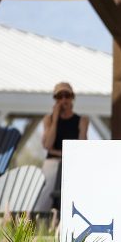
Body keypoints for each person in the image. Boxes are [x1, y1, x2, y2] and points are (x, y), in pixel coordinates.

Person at [39, 82, 88, 210]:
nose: (64, 100)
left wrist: (58, 152)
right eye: (60, 96)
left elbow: (81, 146)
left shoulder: (82, 120)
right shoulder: (49, 119)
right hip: (53, 163)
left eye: (67, 95)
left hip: (72, 162)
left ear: (72, 97)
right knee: (43, 199)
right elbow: (47, 144)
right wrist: (55, 120)